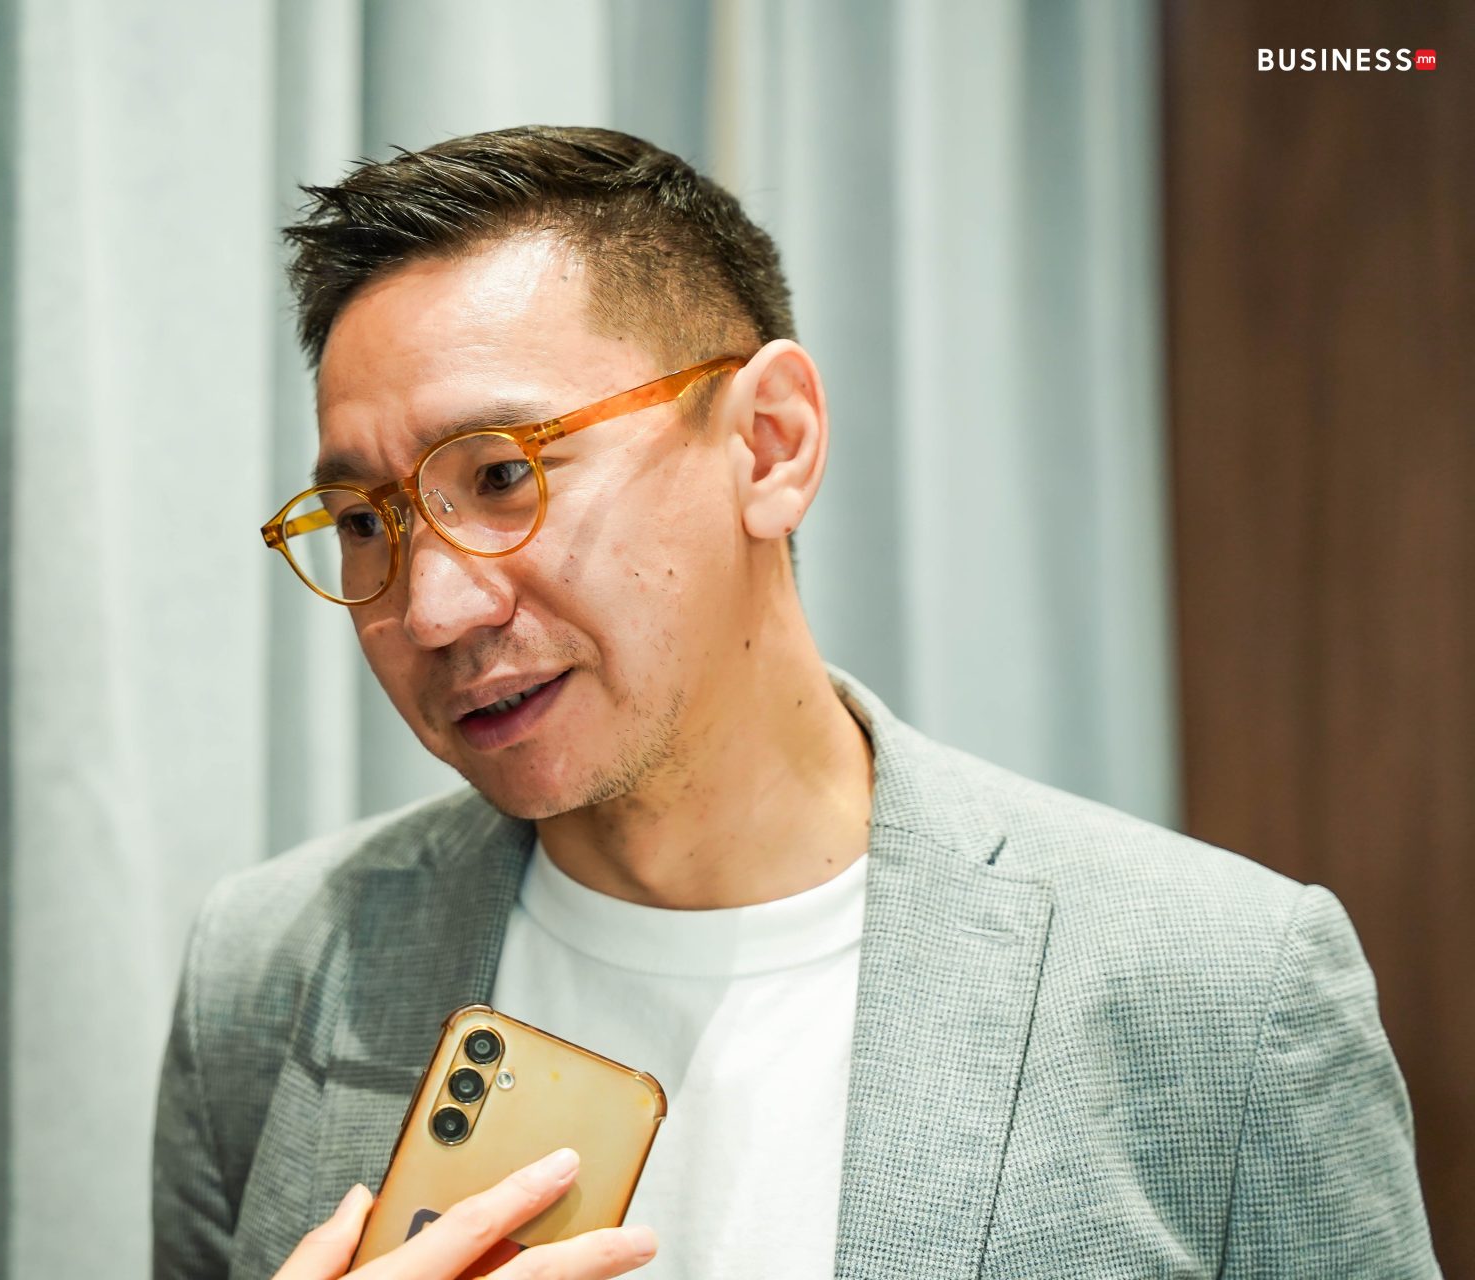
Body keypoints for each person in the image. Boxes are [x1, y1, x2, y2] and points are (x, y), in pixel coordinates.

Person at [153, 126, 1439, 1279]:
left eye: (501, 474)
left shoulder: (1221, 990)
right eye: (368, 520)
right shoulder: (269, 972)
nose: (433, 608)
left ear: (768, 443)